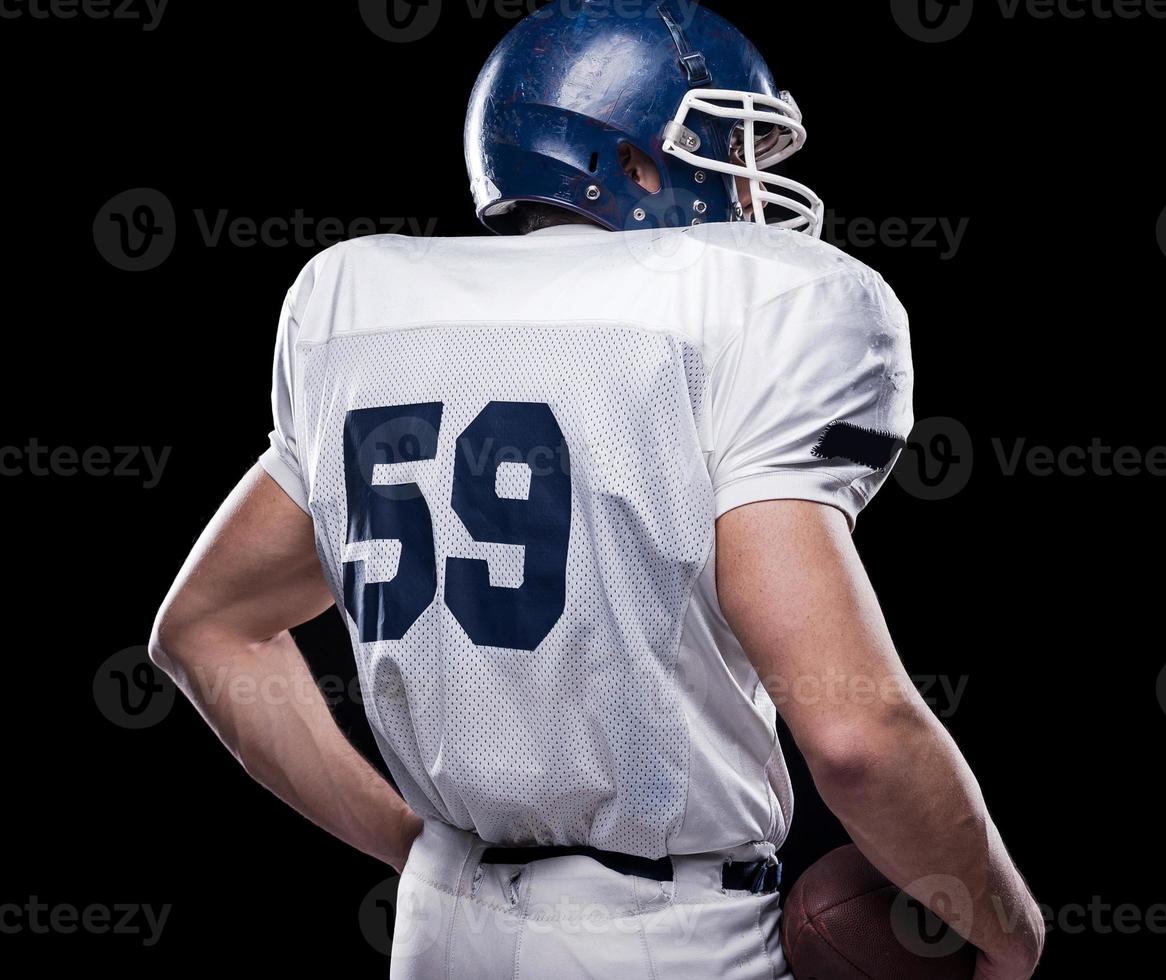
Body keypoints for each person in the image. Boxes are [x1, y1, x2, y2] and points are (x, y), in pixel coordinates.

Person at [149, 3, 1043, 977]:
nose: (751, 186)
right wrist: (1001, 924)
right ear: (636, 163)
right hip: (662, 935)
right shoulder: (750, 306)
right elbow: (857, 733)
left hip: (439, 932)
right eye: (729, 148)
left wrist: (420, 847)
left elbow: (205, 626)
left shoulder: (361, 312)